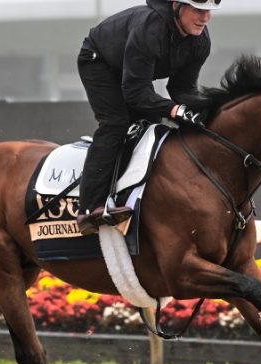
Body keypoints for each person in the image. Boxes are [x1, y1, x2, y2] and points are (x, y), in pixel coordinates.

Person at [76, 0, 221, 236]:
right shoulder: (150, 29)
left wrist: (204, 110)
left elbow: (182, 89)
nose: (204, 18)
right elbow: (135, 92)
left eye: (208, 12)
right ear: (176, 5)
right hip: (99, 62)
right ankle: (90, 209)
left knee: (150, 126)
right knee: (116, 124)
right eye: (198, 10)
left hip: (131, 74)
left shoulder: (200, 41)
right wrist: (175, 110)